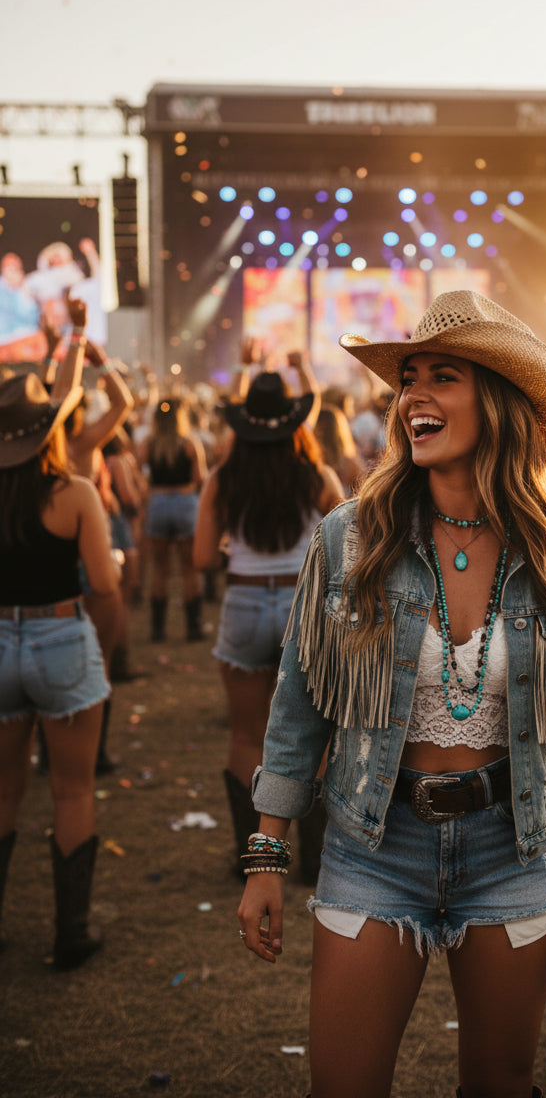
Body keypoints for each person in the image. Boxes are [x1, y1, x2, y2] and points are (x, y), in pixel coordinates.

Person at [238, 291, 546, 1098]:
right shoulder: (349, 539)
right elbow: (298, 705)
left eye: (440, 377)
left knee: (500, 1084)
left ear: (498, 399)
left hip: (513, 850)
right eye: (407, 378)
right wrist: (268, 853)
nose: (412, 397)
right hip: (371, 845)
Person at [194, 367, 342, 883]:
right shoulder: (315, 476)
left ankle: (248, 853)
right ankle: (315, 858)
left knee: (245, 735)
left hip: (244, 603)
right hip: (303, 610)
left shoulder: (223, 479)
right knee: (317, 735)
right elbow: (348, 542)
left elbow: (201, 559)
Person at [0, 372, 119, 967]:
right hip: (60, 635)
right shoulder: (72, 492)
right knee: (71, 791)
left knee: (2, 793)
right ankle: (70, 930)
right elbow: (104, 583)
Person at [139, 398, 207, 642]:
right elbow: (201, 477)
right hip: (185, 502)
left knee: (160, 569)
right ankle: (193, 628)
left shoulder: (149, 444)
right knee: (189, 569)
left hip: (158, 503)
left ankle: (158, 630)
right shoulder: (189, 443)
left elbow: (138, 473)